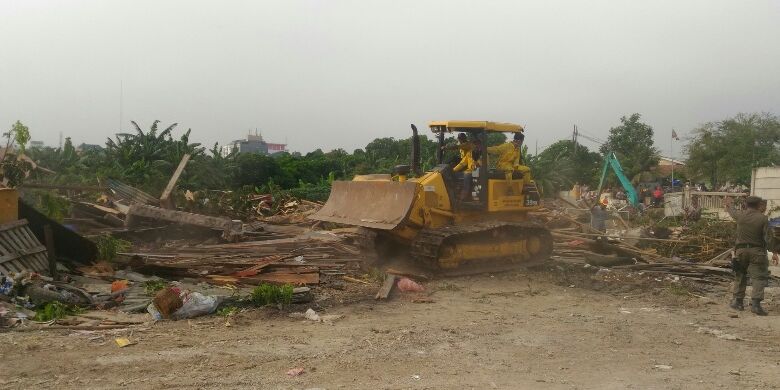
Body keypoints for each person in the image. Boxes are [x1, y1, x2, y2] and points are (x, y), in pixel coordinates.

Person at [724, 196, 779, 315]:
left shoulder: (740, 216)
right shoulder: (763, 219)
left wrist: (729, 204)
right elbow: (768, 238)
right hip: (757, 252)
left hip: (741, 251)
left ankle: (738, 302)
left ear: (746, 204)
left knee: (740, 274)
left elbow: (732, 211)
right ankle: (756, 305)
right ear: (759, 205)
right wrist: (774, 252)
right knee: (759, 277)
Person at [442, 133, 475, 201]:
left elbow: (456, 147)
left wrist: (445, 147)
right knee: (452, 166)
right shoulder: (463, 145)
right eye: (459, 138)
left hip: (469, 165)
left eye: (461, 138)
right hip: (464, 161)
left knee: (454, 160)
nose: (459, 140)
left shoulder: (467, 144)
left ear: (464, 138)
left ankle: (464, 196)